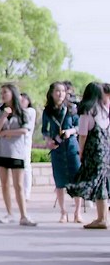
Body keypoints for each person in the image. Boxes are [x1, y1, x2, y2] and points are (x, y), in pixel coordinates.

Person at [0, 83, 36, 226]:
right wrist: (4, 116)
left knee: (19, 185)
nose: (3, 95)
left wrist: (6, 133)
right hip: (0, 151)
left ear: (13, 94)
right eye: (1, 93)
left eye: (5, 92)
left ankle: (24, 215)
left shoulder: (23, 112)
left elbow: (25, 130)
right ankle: (9, 213)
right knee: (4, 184)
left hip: (17, 152)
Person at [66, 82, 110, 229]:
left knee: (92, 182)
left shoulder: (87, 111)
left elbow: (83, 134)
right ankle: (102, 218)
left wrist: (81, 151)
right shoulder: (104, 110)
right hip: (105, 151)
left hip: (93, 151)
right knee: (102, 184)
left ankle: (102, 218)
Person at [42, 82, 82, 223]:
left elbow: (79, 126)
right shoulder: (47, 111)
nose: (60, 94)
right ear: (52, 93)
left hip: (71, 148)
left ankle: (77, 212)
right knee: (59, 182)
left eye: (63, 91)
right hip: (57, 149)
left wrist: (70, 131)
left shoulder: (72, 108)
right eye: (57, 91)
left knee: (77, 181)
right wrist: (48, 140)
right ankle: (63, 212)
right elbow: (44, 130)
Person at [19, 92, 36, 201]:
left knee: (26, 166)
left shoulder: (30, 111)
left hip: (25, 142)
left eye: (23, 100)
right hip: (16, 142)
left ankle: (27, 192)